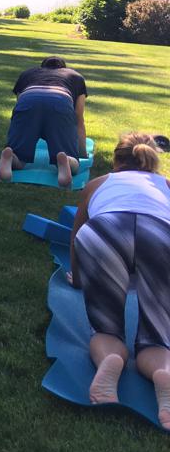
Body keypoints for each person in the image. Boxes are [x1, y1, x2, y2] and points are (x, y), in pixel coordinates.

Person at [66, 133, 170, 427]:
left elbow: (76, 235)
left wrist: (78, 278)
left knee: (107, 330)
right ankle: (163, 371)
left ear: (116, 160)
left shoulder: (98, 183)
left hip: (104, 232)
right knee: (157, 339)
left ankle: (111, 357)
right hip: (161, 236)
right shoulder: (166, 185)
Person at [0, 56, 87, 187]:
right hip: (60, 101)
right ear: (63, 67)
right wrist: (82, 152)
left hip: (28, 100)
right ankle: (66, 160)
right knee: (73, 162)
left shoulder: (28, 73)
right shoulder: (75, 76)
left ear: (42, 67)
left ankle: (10, 156)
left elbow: (20, 105)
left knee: (20, 159)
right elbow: (79, 117)